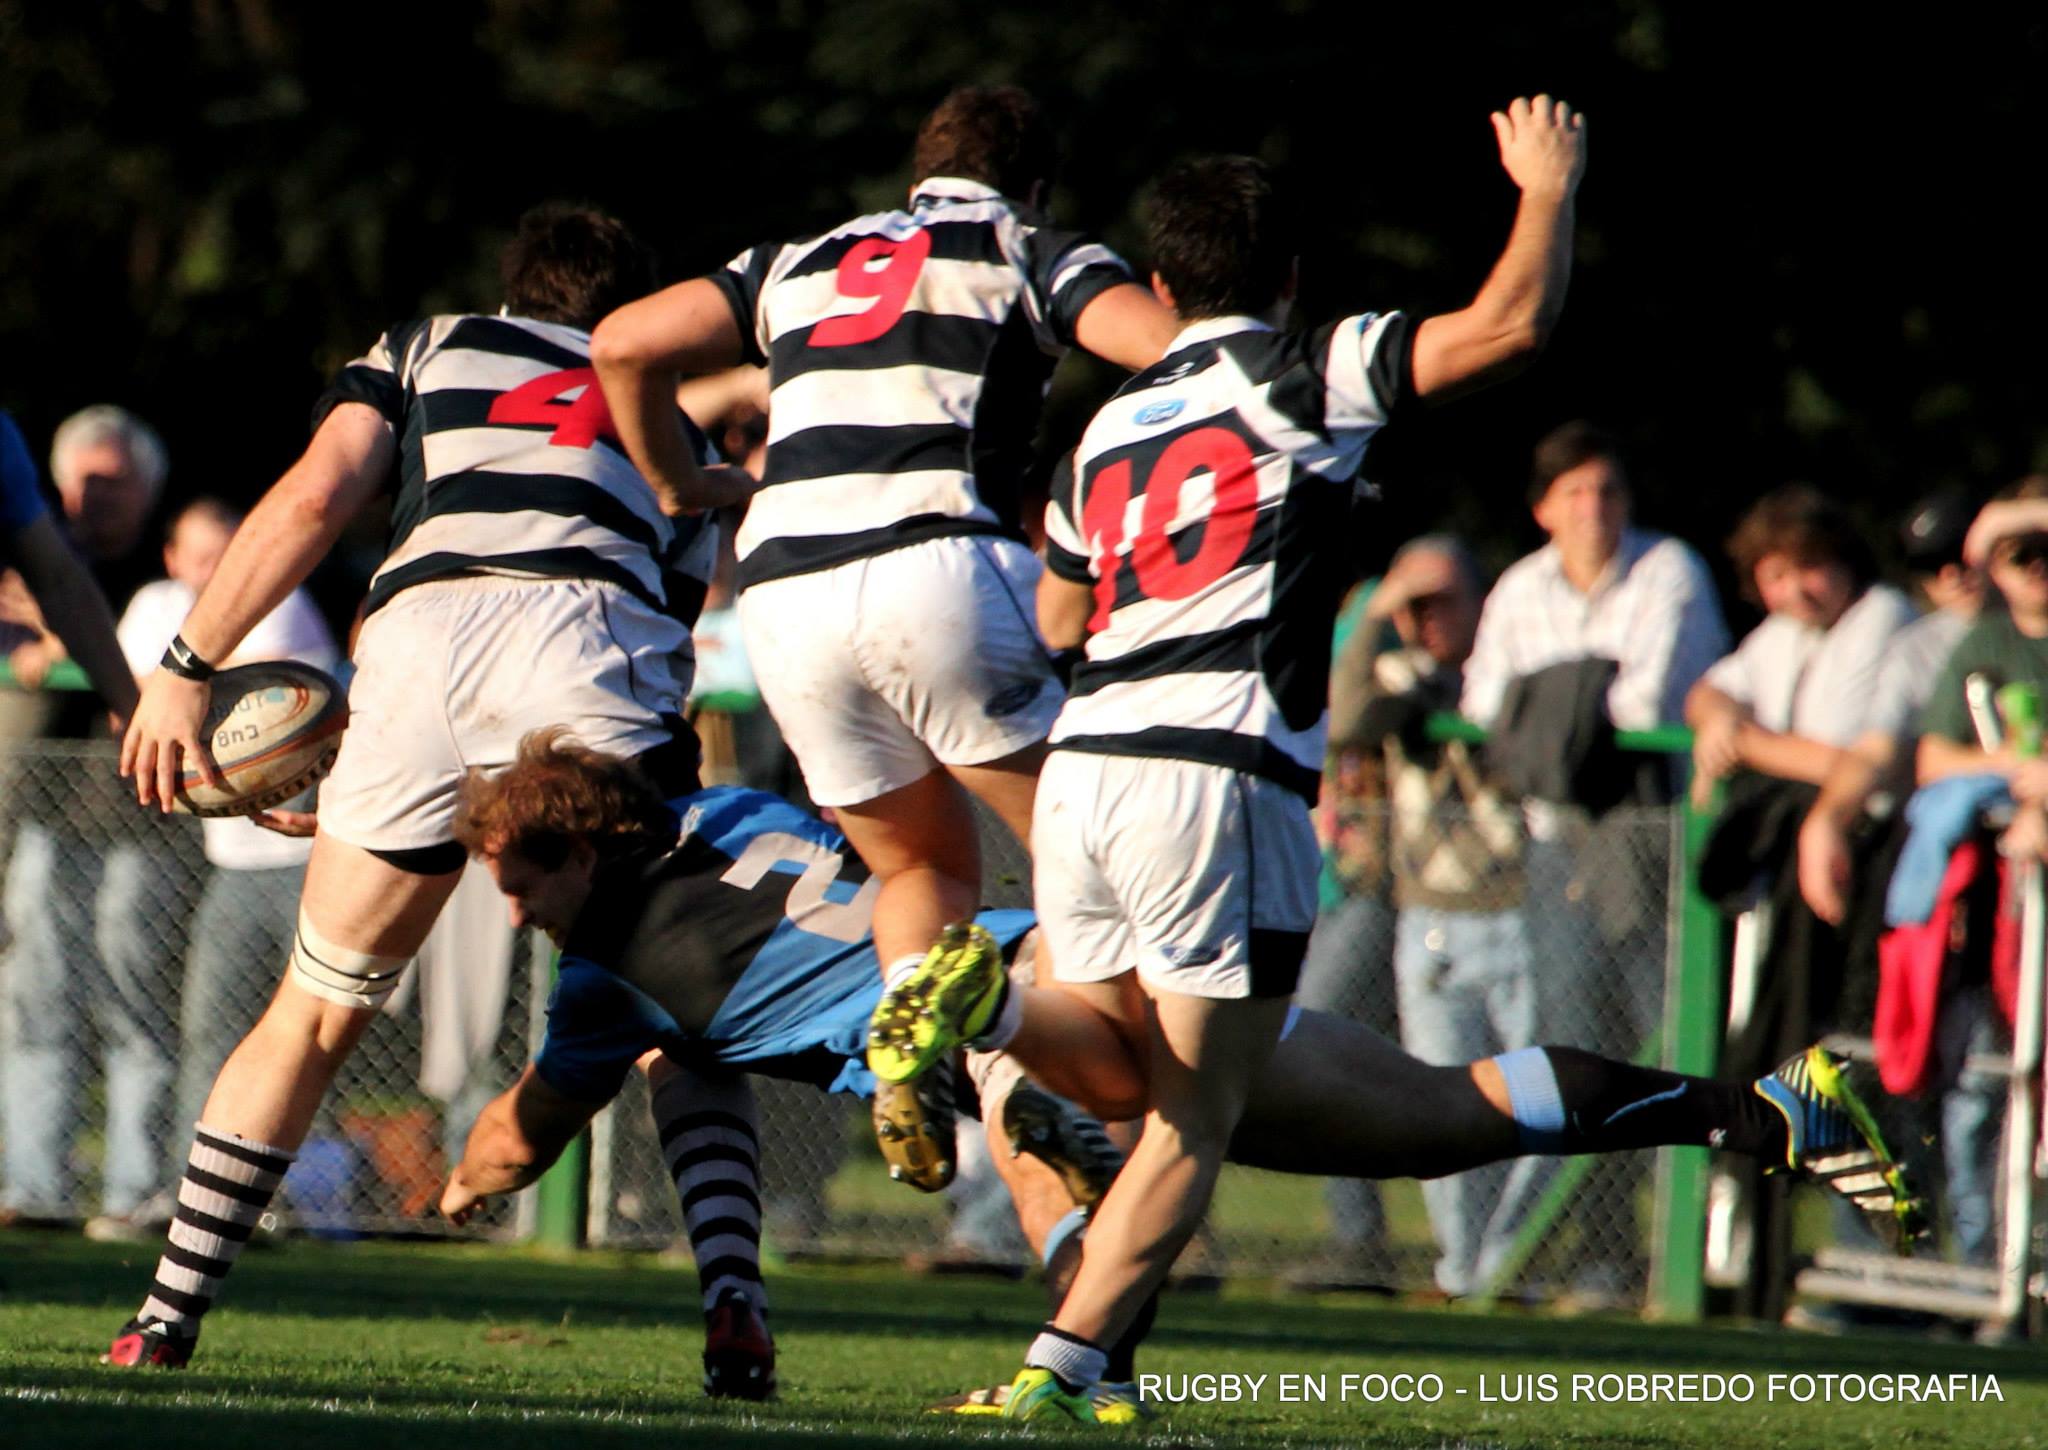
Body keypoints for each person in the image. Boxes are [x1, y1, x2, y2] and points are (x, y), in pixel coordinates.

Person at [434, 730, 1923, 1412]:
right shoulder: (738, 813)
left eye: (524, 874)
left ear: (594, 850)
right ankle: (1767, 1108)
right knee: (1440, 1119)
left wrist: (455, 1189)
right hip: (1083, 952)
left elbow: (518, 1141)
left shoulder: (606, 976)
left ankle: (1077, 1356)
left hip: (1040, 1006)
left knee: (1025, 1119)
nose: (514, 905)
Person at [865, 97, 1592, 1420]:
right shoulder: (1306, 369)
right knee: (1195, 1116)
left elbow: (1060, 616)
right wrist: (1546, 186)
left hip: (1086, 769)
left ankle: (991, 1014)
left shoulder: (1108, 428)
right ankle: (1060, 1367)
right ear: (1291, 276)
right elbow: (1506, 328)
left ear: (1159, 285)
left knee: (1112, 1068)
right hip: (1219, 775)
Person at [101, 203, 744, 1369]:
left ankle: (165, 1315)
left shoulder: (429, 345)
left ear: (512, 290)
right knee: (678, 1005)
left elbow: (314, 498)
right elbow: (673, 607)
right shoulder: (671, 411)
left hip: (416, 636)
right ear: (630, 317)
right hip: (584, 634)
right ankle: (734, 1302)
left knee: (310, 1011)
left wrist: (189, 668)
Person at [592, 84, 1180, 1004]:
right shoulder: (1025, 244)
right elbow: (1173, 351)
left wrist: (680, 485)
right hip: (935, 561)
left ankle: (914, 1029)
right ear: (1034, 187)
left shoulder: (795, 262)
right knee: (1088, 856)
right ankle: (1099, 1071)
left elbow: (623, 344)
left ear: (921, 175)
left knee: (920, 872)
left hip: (785, 598)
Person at [1336, 534, 1544, 1298]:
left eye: (1442, 602)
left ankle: (1509, 1268)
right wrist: (1378, 613)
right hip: (1430, 919)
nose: (1427, 620)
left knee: (1534, 1100)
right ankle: (1462, 1272)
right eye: (1413, 607)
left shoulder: (1512, 667)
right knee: (1442, 1104)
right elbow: (1346, 718)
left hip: (1521, 911)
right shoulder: (1402, 676)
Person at [112, 499, 340, 1190]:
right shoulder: (156, 602)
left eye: (226, 553)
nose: (215, 571)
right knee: (211, 1030)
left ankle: (312, 1202)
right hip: (231, 866)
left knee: (318, 1041)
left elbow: (214, 693)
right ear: (172, 558)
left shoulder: (281, 599)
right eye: (201, 556)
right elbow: (133, 701)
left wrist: (177, 681)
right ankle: (196, 1190)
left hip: (311, 867)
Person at [0, 406, 167, 1234]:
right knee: (35, 1003)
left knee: (135, 1009)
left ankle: (134, 1193)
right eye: (84, 481)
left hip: (139, 821)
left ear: (148, 489)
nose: (96, 497)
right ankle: (36, 1189)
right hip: (44, 814)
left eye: (115, 482)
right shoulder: (36, 551)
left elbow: (139, 644)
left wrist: (55, 636)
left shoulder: (164, 568)